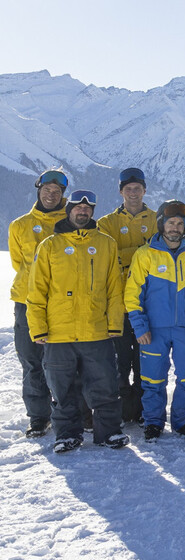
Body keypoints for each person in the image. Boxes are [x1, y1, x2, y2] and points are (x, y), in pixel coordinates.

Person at [26, 190, 130, 453]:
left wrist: (115, 323)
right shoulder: (49, 245)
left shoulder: (106, 243)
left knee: (105, 384)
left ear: (92, 212)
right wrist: (38, 328)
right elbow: (36, 291)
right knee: (62, 390)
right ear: (69, 209)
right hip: (59, 333)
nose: (82, 212)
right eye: (78, 208)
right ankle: (67, 434)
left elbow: (114, 288)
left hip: (96, 331)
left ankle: (110, 432)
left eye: (88, 209)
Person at [124, 200, 185, 442]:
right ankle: (153, 422)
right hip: (154, 330)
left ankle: (183, 421)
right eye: (171, 223)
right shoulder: (146, 254)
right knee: (152, 379)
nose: (175, 228)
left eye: (180, 224)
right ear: (162, 224)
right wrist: (140, 326)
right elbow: (132, 295)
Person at [10, 170, 69, 437]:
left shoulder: (72, 221)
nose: (51, 195)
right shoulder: (19, 225)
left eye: (57, 192)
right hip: (26, 301)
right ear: (38, 190)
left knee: (63, 362)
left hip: (61, 302)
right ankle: (38, 416)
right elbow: (17, 263)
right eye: (47, 190)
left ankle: (66, 410)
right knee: (31, 360)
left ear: (63, 195)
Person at [98, 167, 156, 424]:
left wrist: (127, 256)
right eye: (128, 189)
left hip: (151, 303)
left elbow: (164, 255)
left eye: (138, 188)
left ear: (145, 190)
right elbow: (105, 259)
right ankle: (123, 410)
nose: (133, 193)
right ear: (121, 192)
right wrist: (143, 252)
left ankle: (143, 410)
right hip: (118, 304)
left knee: (145, 359)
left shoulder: (158, 219)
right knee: (120, 360)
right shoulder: (107, 223)